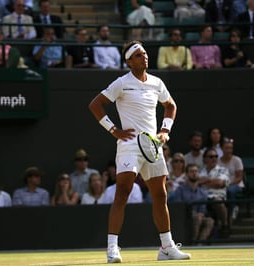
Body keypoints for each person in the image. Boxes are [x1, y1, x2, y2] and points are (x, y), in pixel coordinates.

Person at [89, 40, 191, 263]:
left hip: (153, 145)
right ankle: (112, 249)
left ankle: (166, 247)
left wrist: (165, 130)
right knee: (123, 191)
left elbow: (171, 106)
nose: (144, 57)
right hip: (129, 145)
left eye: (144, 54)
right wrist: (114, 130)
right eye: (138, 55)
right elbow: (95, 104)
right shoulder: (121, 83)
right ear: (128, 61)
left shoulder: (156, 82)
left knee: (160, 195)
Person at [174, 164, 215, 242]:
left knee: (210, 221)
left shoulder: (202, 192)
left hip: (198, 217)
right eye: (191, 171)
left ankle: (200, 243)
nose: (194, 173)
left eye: (196, 171)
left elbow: (203, 210)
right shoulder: (180, 190)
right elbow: (178, 206)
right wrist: (193, 214)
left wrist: (199, 214)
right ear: (186, 174)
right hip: (183, 217)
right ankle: (193, 242)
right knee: (198, 218)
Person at [198, 148, 230, 238]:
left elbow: (220, 183)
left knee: (218, 202)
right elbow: (196, 183)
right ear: (205, 159)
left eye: (216, 156)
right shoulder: (200, 171)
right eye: (211, 156)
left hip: (217, 197)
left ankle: (225, 225)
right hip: (201, 198)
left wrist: (205, 181)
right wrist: (213, 182)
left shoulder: (223, 170)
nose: (214, 159)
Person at [217, 139, 244, 220]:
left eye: (230, 148)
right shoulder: (217, 161)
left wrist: (228, 183)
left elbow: (239, 178)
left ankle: (231, 213)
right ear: (222, 149)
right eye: (226, 148)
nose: (229, 150)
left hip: (236, 185)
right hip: (221, 185)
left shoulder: (237, 160)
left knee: (230, 191)